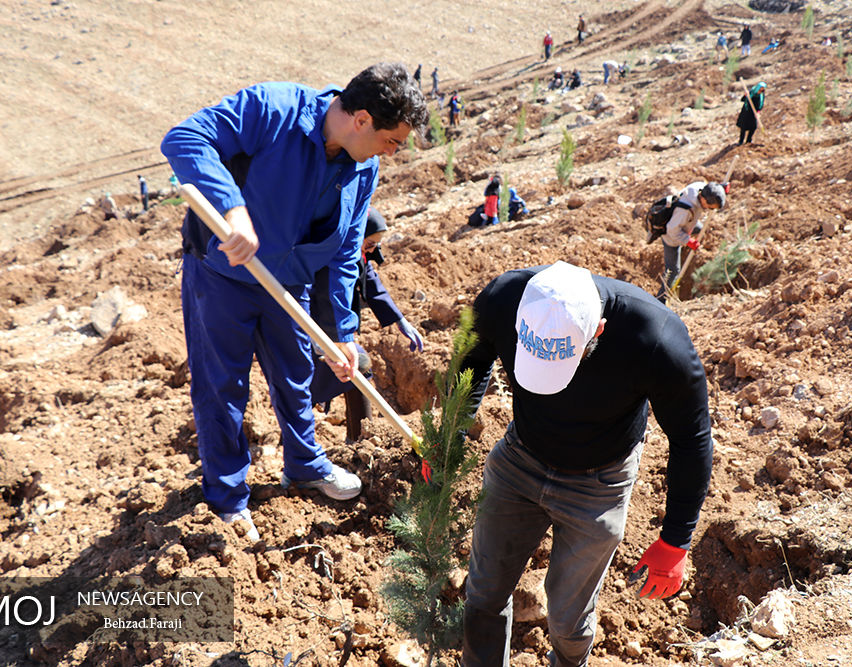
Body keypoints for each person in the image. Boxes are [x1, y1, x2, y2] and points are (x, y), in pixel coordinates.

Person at [161, 63, 428, 542]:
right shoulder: (273, 108)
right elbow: (184, 140)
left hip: (290, 287)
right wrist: (233, 210)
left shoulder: (364, 165)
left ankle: (303, 464)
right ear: (362, 120)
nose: (393, 151)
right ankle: (227, 498)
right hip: (225, 277)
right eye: (393, 140)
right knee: (222, 388)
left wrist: (343, 332)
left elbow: (346, 248)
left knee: (295, 375)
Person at [459, 261, 713, 666]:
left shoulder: (655, 339)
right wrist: (450, 436)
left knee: (567, 620)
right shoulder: (503, 298)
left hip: (599, 484)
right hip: (519, 460)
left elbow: (691, 437)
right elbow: (471, 362)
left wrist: (675, 539)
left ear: (597, 330)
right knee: (483, 595)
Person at [308, 207, 423, 444]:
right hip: (312, 328)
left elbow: (371, 283)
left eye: (375, 247)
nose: (371, 251)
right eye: (369, 244)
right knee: (345, 368)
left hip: (331, 331)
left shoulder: (357, 253)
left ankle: (358, 440)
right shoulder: (331, 254)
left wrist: (399, 320)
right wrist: (324, 338)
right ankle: (348, 442)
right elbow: (320, 297)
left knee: (355, 366)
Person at [655, 181, 726, 302]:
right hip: (671, 237)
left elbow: (712, 189)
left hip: (687, 223)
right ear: (703, 199)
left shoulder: (700, 188)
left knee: (700, 228)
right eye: (710, 207)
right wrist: (688, 241)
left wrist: (721, 189)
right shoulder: (685, 210)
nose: (709, 209)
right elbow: (672, 230)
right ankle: (661, 300)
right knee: (673, 271)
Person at [735, 81, 765, 145]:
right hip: (746, 112)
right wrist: (746, 95)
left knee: (753, 127)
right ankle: (741, 141)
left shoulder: (761, 96)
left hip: (754, 113)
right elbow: (742, 100)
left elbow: (761, 105)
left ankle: (749, 140)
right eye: (760, 90)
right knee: (743, 127)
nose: (760, 92)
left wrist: (758, 112)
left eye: (762, 90)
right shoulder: (751, 92)